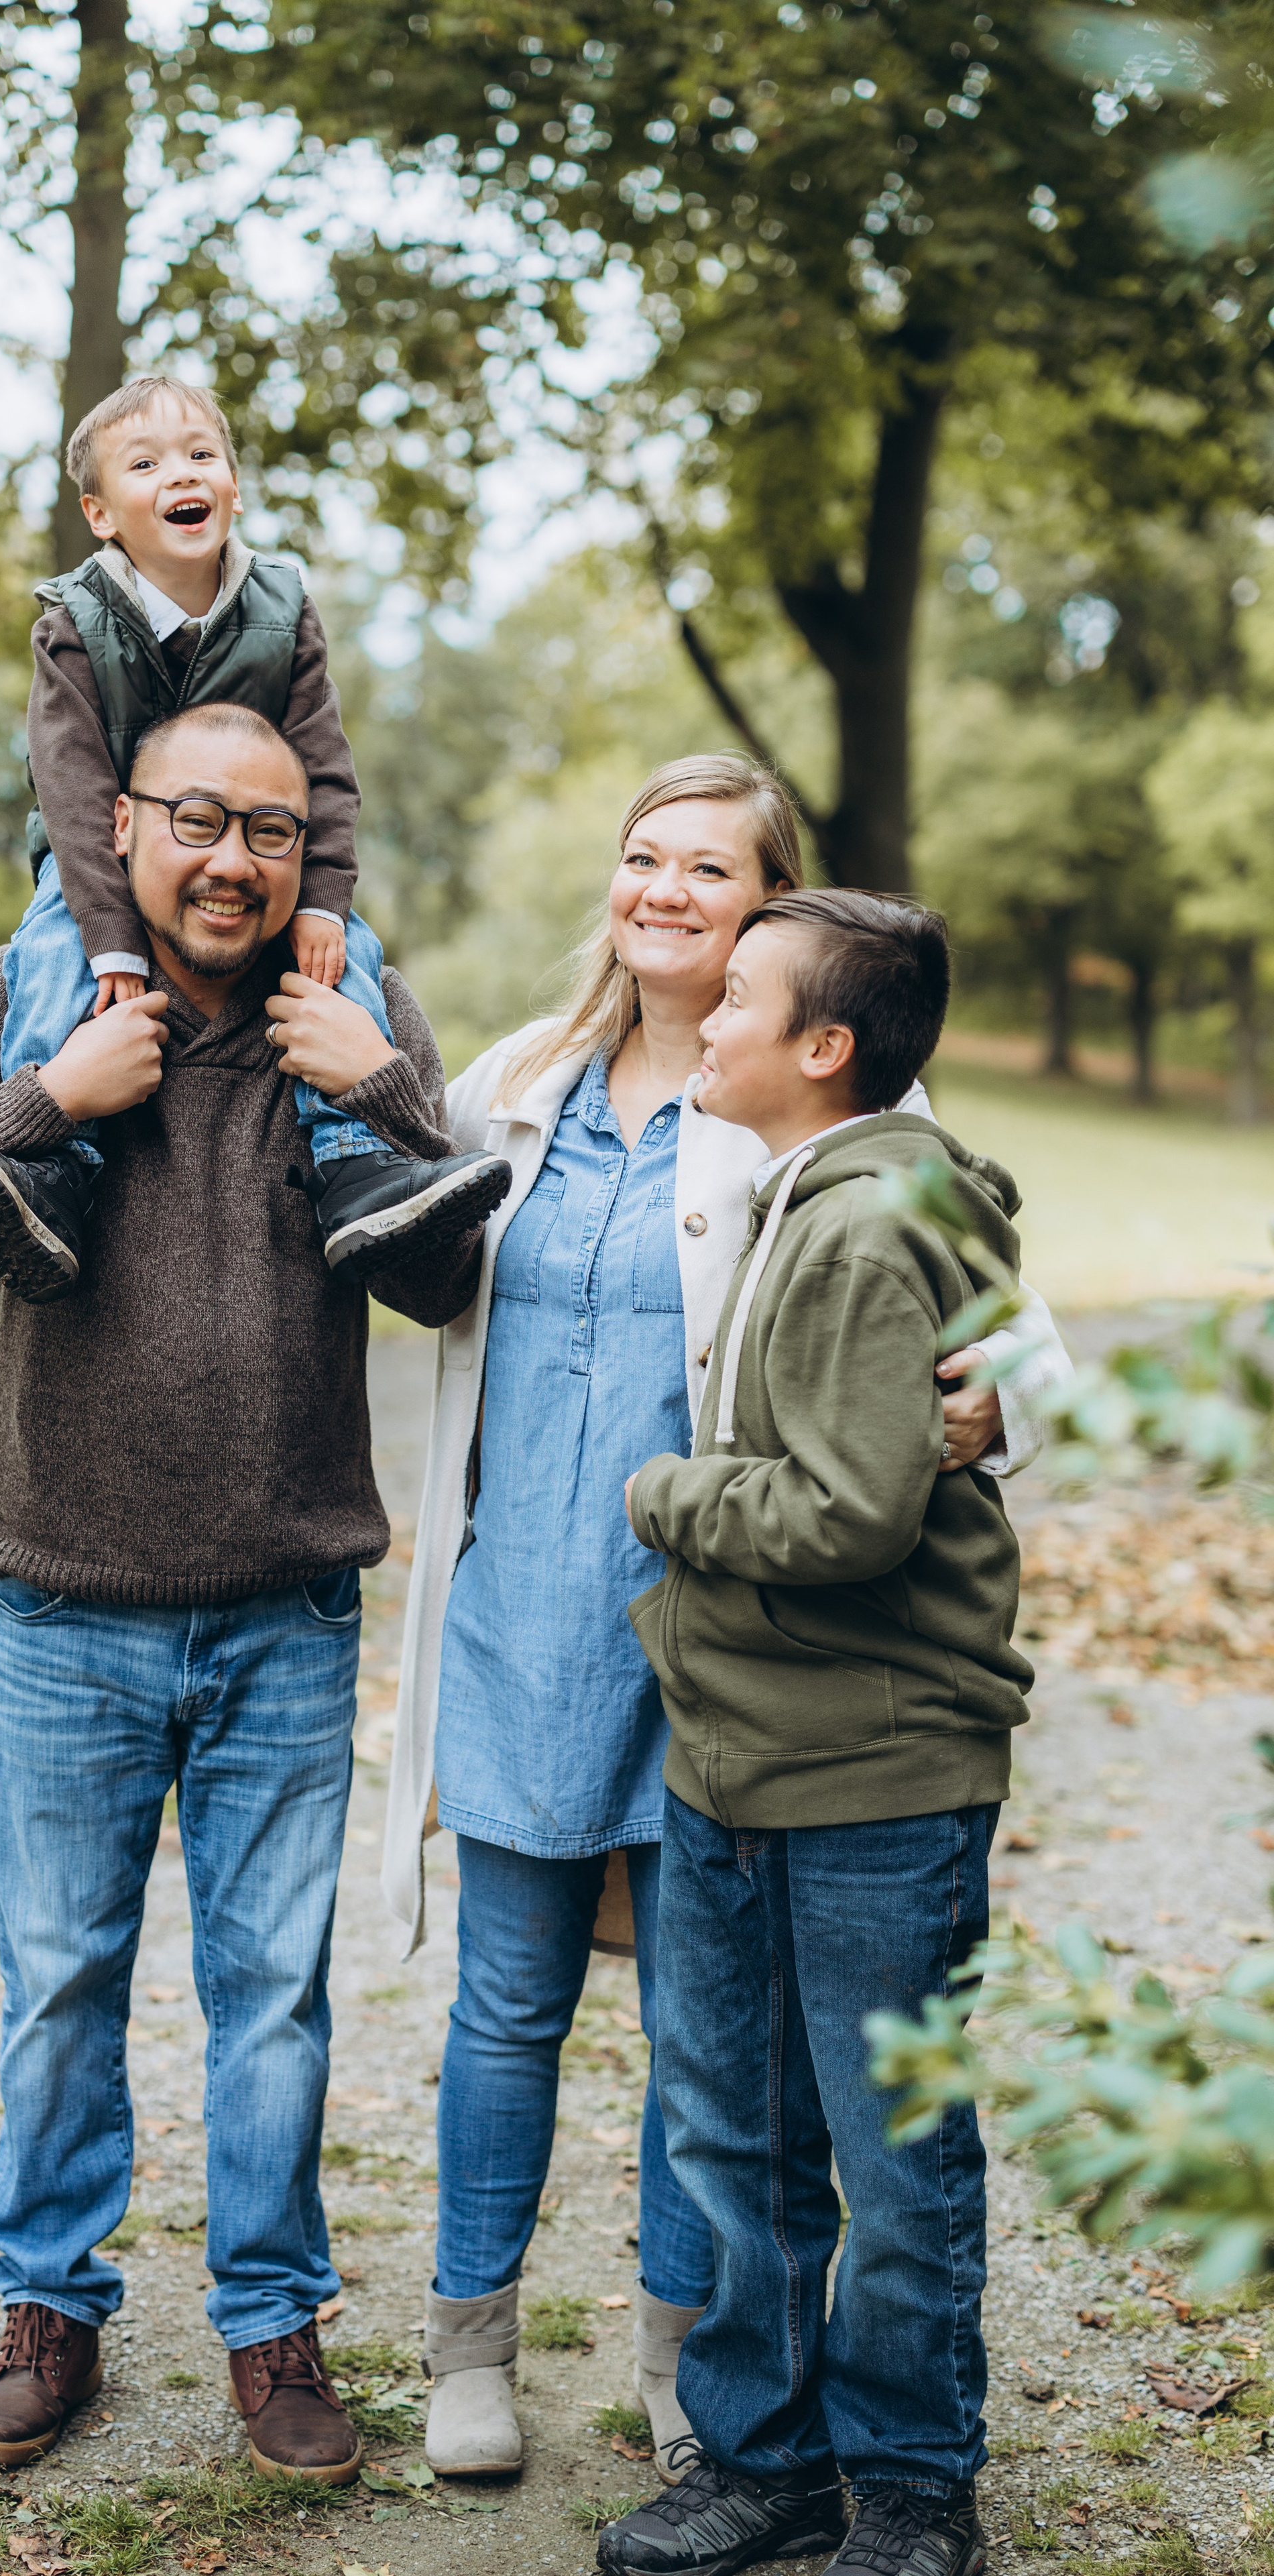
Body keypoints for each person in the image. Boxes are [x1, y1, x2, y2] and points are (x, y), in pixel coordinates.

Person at [383, 758, 1070, 2483]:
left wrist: (997, 1399)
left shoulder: (788, 1108)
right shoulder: (513, 1087)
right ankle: (469, 2344)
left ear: (770, 912)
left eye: (709, 869)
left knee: (714, 2043)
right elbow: (401, 1252)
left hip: (726, 1638)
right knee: (504, 2002)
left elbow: (1007, 1305)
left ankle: (693, 2353)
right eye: (640, 858)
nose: (664, 892)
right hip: (524, 1610)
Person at [0, 702, 481, 2481]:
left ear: (304, 851)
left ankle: (275, 2329)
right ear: (123, 824)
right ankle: (52, 2316)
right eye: (200, 820)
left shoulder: (345, 1007)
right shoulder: (26, 996)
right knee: (61, 1985)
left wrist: (386, 1087)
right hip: (66, 1603)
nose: (235, 861)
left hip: (287, 1604)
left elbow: (452, 1270)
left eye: (273, 831)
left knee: (272, 1994)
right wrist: (47, 1103)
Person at [596, 889, 1027, 2576]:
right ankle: (762, 2457)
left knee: (890, 2147)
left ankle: (913, 2490)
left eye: (739, 1000)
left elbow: (850, 1514)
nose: (704, 1014)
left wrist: (663, 1494)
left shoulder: (860, 1227)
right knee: (735, 2126)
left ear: (822, 1048)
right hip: (734, 1748)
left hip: (872, 1769)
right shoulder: (811, 1190)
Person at [0, 374, 507, 1302]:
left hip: (288, 891)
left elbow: (323, 769)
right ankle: (53, 1167)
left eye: (202, 454)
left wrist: (320, 901)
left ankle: (355, 1164)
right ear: (102, 513)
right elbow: (73, 795)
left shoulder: (282, 606)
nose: (181, 474)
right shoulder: (74, 621)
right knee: (55, 952)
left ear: (233, 484)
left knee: (342, 956)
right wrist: (109, 939)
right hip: (93, 870)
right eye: (145, 463)